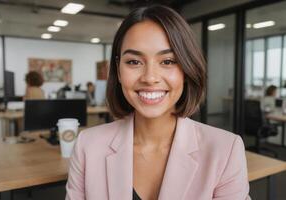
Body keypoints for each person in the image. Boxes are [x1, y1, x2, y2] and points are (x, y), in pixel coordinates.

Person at [66, 5, 250, 200]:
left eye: (168, 61)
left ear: (187, 70)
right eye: (134, 62)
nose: (150, 77)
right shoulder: (88, 146)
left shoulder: (225, 150)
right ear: (119, 71)